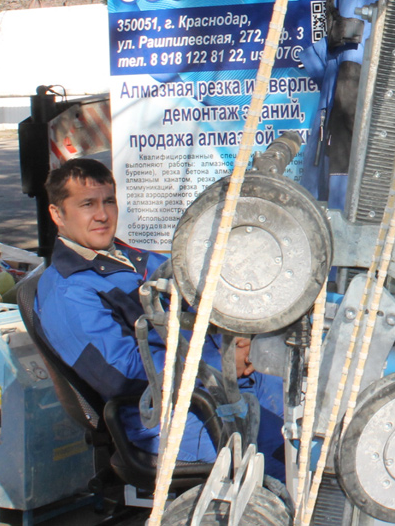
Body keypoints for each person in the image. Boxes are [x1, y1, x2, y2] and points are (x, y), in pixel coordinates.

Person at [33, 158, 287, 479]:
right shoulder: (67, 292)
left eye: (109, 201)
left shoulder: (130, 258)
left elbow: (198, 295)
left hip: (219, 385)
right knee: (292, 459)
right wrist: (218, 362)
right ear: (57, 214)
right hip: (173, 414)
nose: (102, 215)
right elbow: (121, 374)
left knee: (321, 412)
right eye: (87, 204)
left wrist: (239, 337)